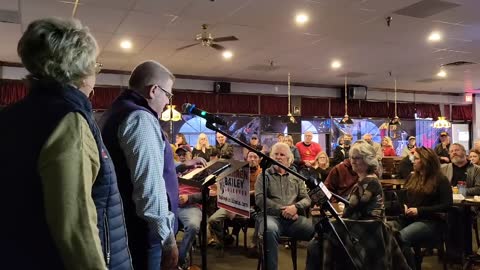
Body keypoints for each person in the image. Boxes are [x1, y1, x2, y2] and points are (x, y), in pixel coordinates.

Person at [0, 17, 132, 269]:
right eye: (96, 65)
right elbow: (75, 225)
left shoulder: (10, 114)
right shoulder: (69, 120)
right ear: (81, 70)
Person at [100, 60, 179, 270]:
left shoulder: (116, 111)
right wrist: (167, 238)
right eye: (168, 95)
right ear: (154, 90)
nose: (168, 103)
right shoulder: (140, 119)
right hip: (144, 233)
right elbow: (148, 188)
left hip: (123, 225)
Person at [255, 142, 314, 270]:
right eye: (276, 154)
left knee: (320, 231)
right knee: (268, 231)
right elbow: (259, 199)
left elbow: (307, 198)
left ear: (289, 159)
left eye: (282, 154)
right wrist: (283, 210)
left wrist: (295, 207)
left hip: (293, 219)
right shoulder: (264, 175)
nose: (278, 157)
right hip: (270, 217)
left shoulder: (296, 176)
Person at [393, 147, 452, 267]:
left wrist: (419, 211)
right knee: (387, 233)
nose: (413, 161)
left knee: (401, 238)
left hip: (431, 221)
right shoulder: (412, 177)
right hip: (409, 218)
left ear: (425, 161)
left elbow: (447, 205)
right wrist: (403, 205)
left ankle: (410, 266)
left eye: (416, 159)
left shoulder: (441, 179)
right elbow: (403, 195)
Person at [208, 151, 262, 248]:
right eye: (250, 157)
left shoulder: (262, 173)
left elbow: (259, 192)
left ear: (259, 159)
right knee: (213, 220)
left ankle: (254, 245)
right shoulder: (239, 170)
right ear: (246, 159)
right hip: (234, 203)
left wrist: (245, 194)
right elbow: (230, 188)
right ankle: (225, 238)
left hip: (252, 205)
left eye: (255, 157)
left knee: (261, 219)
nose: (252, 159)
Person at [175, 146, 204, 270]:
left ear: (191, 156)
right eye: (179, 154)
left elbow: (207, 195)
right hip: (172, 206)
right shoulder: (174, 170)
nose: (182, 156)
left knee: (193, 225)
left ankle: (181, 260)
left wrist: (189, 198)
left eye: (184, 154)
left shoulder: (200, 170)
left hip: (191, 207)